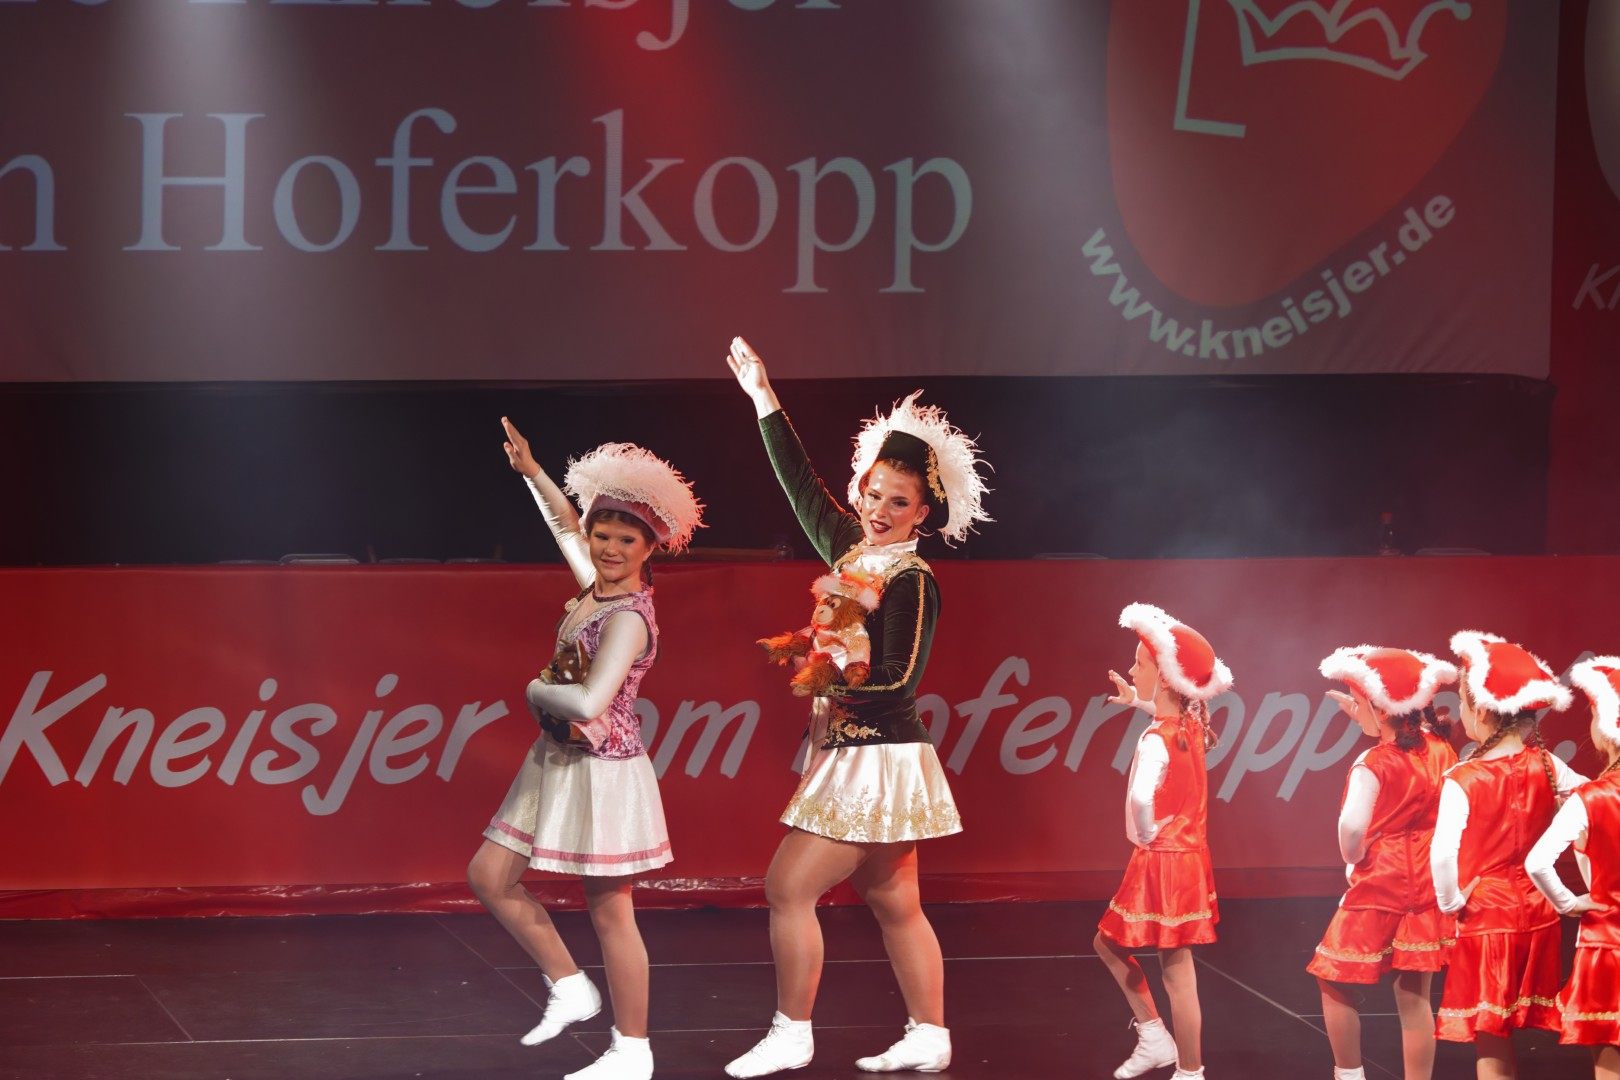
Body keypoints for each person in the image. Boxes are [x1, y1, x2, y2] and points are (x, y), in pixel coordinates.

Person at [721, 336, 991, 1077]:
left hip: (879, 752)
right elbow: (801, 487)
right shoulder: (850, 550)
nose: (877, 509)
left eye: (897, 502)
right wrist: (763, 398)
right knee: (893, 898)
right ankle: (930, 1034)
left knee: (787, 887)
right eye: (872, 493)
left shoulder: (911, 578)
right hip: (856, 749)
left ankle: (792, 1033)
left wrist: (821, 680)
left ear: (922, 512)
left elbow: (898, 680)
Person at [467, 420, 703, 1080]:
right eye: (603, 535)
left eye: (626, 540)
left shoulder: (627, 616)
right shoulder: (596, 583)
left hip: (604, 770)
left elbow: (591, 701)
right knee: (489, 876)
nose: (609, 548)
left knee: (611, 911)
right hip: (554, 759)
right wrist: (534, 473)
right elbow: (565, 526)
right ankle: (570, 986)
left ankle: (633, 1049)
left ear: (648, 547)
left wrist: (534, 688)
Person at [1307, 646, 1459, 1080]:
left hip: (1384, 879)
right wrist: (1362, 709)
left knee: (1331, 974)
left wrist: (1354, 860)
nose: (1355, 712)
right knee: (1414, 996)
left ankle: (1349, 1074)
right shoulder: (1440, 748)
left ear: (1382, 707)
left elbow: (1351, 831)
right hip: (1426, 879)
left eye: (1361, 703)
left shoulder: (1371, 763)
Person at [1098, 603, 1231, 1080]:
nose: (1133, 670)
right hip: (1188, 858)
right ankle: (1155, 1037)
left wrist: (1147, 831)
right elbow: (1167, 709)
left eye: (1140, 664)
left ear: (1166, 676)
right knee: (1110, 943)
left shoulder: (1157, 738)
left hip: (1163, 859)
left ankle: (1190, 1070)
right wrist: (1138, 700)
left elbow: (1141, 798)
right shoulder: (1189, 726)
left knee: (1176, 970)